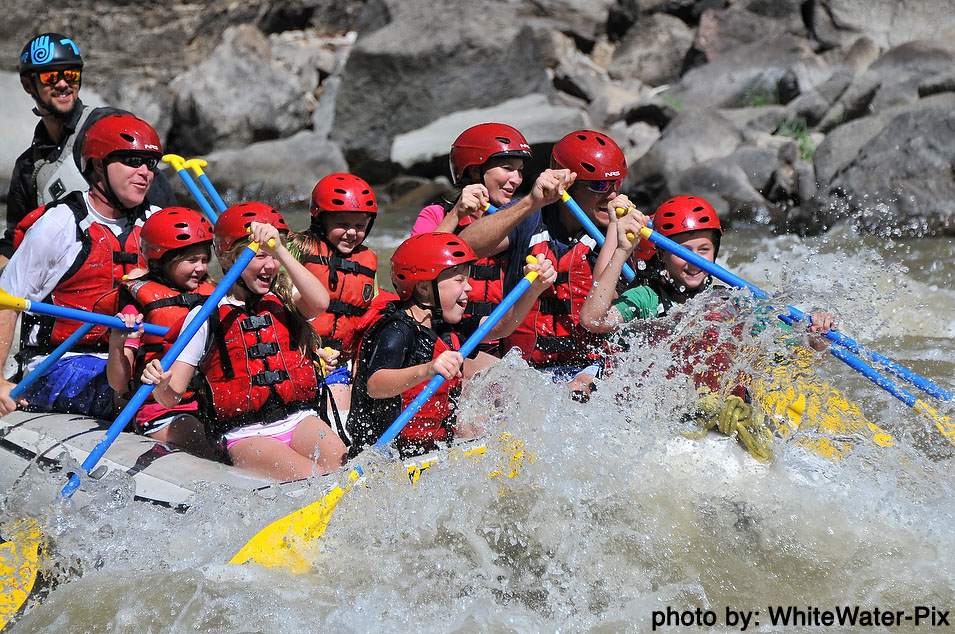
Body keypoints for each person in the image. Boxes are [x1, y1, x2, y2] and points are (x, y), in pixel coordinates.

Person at [579, 195, 836, 450]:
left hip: (724, 419)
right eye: (683, 251)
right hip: (658, 420)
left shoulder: (734, 304)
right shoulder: (647, 299)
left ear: (715, 251)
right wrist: (624, 250)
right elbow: (592, 320)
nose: (694, 260)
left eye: (704, 250)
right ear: (662, 254)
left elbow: (807, 357)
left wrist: (817, 334)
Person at [140, 202, 347, 480]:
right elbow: (169, 396)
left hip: (299, 420)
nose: (270, 265)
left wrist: (280, 250)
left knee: (340, 462)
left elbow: (321, 302)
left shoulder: (285, 299)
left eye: (273, 255)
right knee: (311, 476)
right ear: (229, 259)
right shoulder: (205, 315)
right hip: (244, 433)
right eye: (260, 256)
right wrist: (160, 383)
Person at [0, 113, 166, 418]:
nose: (144, 172)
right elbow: (5, 301)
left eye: (150, 163)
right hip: (57, 363)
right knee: (131, 387)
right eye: (132, 160)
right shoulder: (60, 224)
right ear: (98, 164)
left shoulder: (156, 222)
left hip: (134, 356)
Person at [459, 129, 638, 400]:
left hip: (589, 372)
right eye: (599, 186)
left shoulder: (624, 231)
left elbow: (608, 314)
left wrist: (617, 235)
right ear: (567, 182)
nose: (612, 196)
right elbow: (464, 249)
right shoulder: (532, 217)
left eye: (616, 185)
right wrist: (531, 202)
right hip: (525, 372)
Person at [346, 232, 557, 458]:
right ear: (424, 287)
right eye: (458, 280)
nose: (468, 288)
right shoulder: (397, 331)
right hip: (383, 455)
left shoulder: (446, 327)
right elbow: (375, 385)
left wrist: (534, 289)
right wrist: (428, 369)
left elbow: (502, 326)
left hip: (428, 450)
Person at [2, 32, 174, 263]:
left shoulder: (106, 127)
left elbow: (162, 210)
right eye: (50, 77)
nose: (63, 84)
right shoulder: (28, 166)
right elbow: (14, 242)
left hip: (130, 269)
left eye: (71, 74)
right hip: (65, 284)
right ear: (27, 85)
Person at [412, 122, 532, 363]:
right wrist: (456, 214)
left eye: (519, 170)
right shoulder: (435, 215)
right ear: (476, 171)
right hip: (445, 340)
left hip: (499, 340)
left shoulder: (520, 221)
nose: (517, 179)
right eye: (507, 168)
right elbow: (415, 269)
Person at [104, 207, 217, 458]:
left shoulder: (212, 296)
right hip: (156, 410)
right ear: (160, 260)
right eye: (191, 260)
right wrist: (117, 341)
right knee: (205, 440)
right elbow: (118, 382)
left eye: (204, 259)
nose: (200, 268)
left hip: (204, 403)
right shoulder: (137, 306)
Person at [288, 173, 380, 421]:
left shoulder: (368, 261)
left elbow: (369, 311)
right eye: (342, 224)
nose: (351, 232)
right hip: (298, 355)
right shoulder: (298, 247)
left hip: (338, 362)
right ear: (320, 220)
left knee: (341, 418)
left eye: (360, 226)